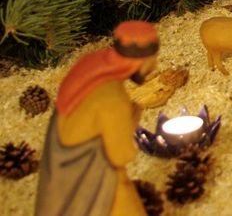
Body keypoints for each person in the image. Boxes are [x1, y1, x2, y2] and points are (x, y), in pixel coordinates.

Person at [36, 21, 159, 216]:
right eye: (153, 60)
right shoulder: (113, 99)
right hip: (89, 169)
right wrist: (131, 121)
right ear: (141, 61)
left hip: (59, 157)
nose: (155, 66)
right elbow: (121, 156)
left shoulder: (92, 64)